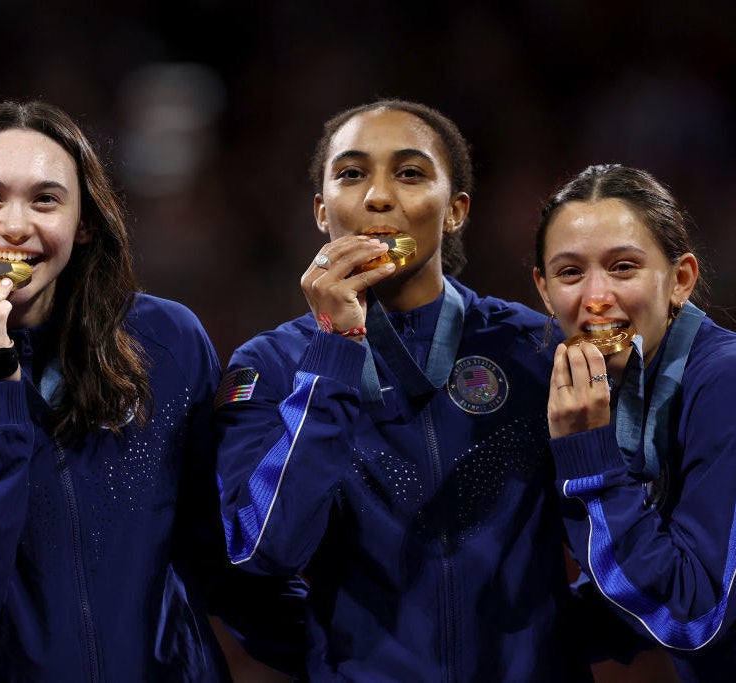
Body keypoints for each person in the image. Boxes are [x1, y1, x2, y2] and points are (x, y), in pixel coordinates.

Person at [0, 100, 303, 681]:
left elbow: (222, 556)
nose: (15, 225)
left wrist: (348, 657)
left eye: (45, 200)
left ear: (84, 223)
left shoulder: (166, 339)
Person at [214, 98, 593, 681]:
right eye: (351, 174)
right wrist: (335, 348)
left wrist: (554, 646)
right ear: (321, 212)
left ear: (456, 211)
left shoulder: (535, 349)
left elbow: (609, 531)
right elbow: (266, 547)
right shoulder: (272, 364)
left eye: (410, 173)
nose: (378, 197)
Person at [533, 163, 736, 681]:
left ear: (680, 280)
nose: (596, 297)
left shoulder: (724, 382)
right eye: (570, 273)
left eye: (623, 267)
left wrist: (589, 461)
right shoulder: (618, 382)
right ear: (544, 291)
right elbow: (635, 601)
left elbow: (693, 619)